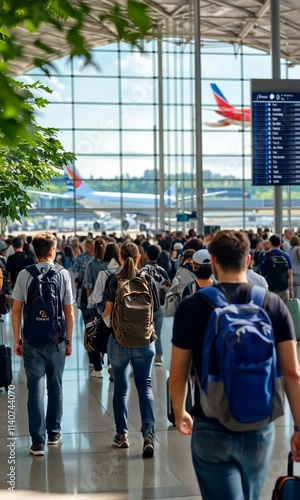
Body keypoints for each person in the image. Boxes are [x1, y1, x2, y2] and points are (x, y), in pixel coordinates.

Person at [169, 230, 300, 500]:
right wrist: (298, 427)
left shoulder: (192, 306)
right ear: (249, 260)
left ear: (213, 261)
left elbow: (178, 373)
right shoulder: (272, 304)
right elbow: (292, 373)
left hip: (210, 424)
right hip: (259, 424)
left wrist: (180, 411)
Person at [12, 232, 74, 456]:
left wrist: (17, 339)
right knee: (55, 388)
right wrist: (68, 340)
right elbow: (69, 311)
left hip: (31, 341)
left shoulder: (24, 275)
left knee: (34, 391)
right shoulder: (63, 274)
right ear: (50, 250)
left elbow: (16, 309)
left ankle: (37, 442)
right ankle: (54, 432)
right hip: (56, 340)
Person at [102, 242, 160, 457]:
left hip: (119, 342)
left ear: (119, 258)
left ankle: (122, 435)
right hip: (145, 342)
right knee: (145, 386)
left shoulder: (114, 280)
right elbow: (155, 309)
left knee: (121, 387)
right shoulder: (148, 278)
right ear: (138, 258)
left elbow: (107, 312)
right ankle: (148, 435)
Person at [142, 244, 171, 366]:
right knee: (158, 332)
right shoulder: (162, 271)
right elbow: (169, 286)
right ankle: (158, 357)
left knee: (144, 332)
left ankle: (145, 355)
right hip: (161, 304)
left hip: (146, 306)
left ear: (146, 254)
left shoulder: (143, 271)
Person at [259, 233, 293, 304]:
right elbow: (290, 274)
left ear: (270, 243)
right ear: (280, 243)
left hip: (270, 289)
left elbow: (261, 273)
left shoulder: (266, 256)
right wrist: (291, 290)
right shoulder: (285, 255)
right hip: (284, 289)